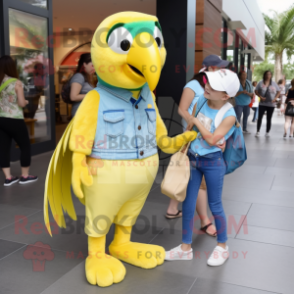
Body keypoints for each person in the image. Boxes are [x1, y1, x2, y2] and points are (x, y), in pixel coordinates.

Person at [165, 69, 239, 266]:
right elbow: (192, 129)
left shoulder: (229, 114)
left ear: (225, 96)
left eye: (212, 86)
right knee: (188, 203)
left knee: (215, 204)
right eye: (208, 82)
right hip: (193, 158)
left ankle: (222, 246)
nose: (206, 85)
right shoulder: (200, 100)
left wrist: (197, 122)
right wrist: (195, 129)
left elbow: (213, 139)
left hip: (213, 162)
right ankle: (185, 248)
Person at [165, 55, 230, 237]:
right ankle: (205, 221)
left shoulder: (210, 88)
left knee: (188, 176)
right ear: (208, 69)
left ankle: (172, 208)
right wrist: (195, 126)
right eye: (219, 68)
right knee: (200, 183)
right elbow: (182, 109)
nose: (221, 71)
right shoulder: (193, 86)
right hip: (195, 140)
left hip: (207, 141)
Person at [0, 55, 38, 186]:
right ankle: (25, 176)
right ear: (11, 67)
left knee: (3, 148)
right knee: (25, 146)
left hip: (1, 119)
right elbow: (21, 103)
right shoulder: (16, 82)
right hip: (14, 119)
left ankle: (8, 178)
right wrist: (26, 101)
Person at [255, 71, 281, 137]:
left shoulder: (274, 83)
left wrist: (275, 98)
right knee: (260, 117)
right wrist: (260, 97)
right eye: (267, 74)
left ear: (271, 75)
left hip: (271, 104)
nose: (268, 75)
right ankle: (258, 131)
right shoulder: (261, 82)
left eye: (269, 74)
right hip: (262, 103)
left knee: (269, 118)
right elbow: (256, 91)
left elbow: (278, 91)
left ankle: (267, 132)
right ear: (264, 75)